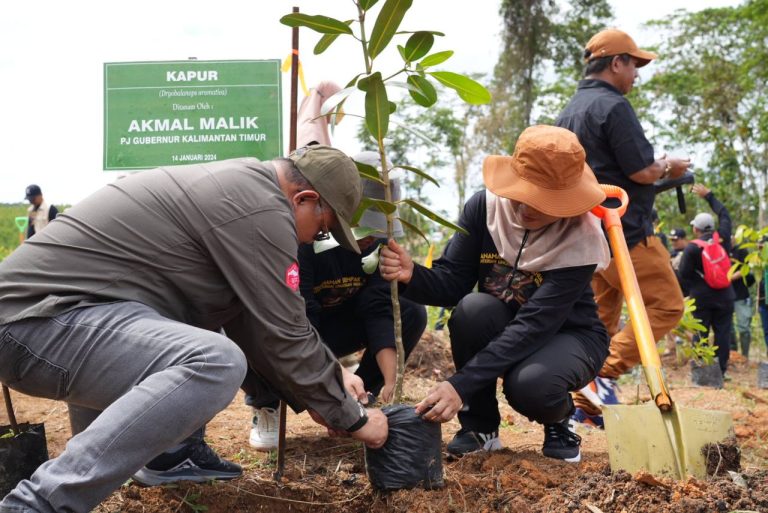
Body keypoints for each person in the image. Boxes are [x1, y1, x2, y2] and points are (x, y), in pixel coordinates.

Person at [0, 145, 388, 513]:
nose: (312, 239)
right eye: (321, 229)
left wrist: (331, 385)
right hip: (36, 322)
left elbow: (254, 325)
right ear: (304, 198)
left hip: (61, 320)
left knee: (193, 339)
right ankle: (37, 504)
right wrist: (351, 418)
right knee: (214, 361)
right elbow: (283, 330)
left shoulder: (240, 187)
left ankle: (161, 458)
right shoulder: (260, 208)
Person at [380, 125, 611, 463]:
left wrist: (459, 385)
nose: (527, 207)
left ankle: (559, 418)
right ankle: (480, 427)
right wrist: (412, 274)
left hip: (569, 335)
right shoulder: (486, 209)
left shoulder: (581, 236)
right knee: (472, 309)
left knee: (530, 385)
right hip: (508, 322)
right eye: (524, 193)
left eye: (542, 200)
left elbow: (536, 324)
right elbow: (453, 283)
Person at [247, 151, 427, 450]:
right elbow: (299, 316)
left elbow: (379, 309)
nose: (370, 239)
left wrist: (393, 381)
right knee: (252, 325)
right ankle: (267, 404)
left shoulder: (380, 247)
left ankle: (361, 396)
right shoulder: (305, 239)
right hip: (297, 329)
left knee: (410, 311)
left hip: (337, 329)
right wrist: (328, 389)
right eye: (364, 229)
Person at [555, 28, 688, 426]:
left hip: (589, 237)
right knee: (667, 305)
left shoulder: (570, 111)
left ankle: (584, 403)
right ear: (616, 63)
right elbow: (642, 171)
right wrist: (670, 166)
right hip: (626, 235)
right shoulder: (614, 107)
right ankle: (602, 374)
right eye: (634, 64)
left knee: (600, 322)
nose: (636, 74)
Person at [679, 184, 735, 376]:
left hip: (701, 296)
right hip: (726, 295)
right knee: (723, 333)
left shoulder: (692, 248)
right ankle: (721, 371)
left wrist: (687, 293)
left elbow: (684, 274)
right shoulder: (724, 238)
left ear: (696, 229)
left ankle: (701, 371)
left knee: (700, 333)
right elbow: (725, 214)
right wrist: (709, 195)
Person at [730, 237, 755, 358]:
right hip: (725, 296)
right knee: (728, 328)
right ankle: (733, 353)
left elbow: (745, 269)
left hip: (741, 294)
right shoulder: (720, 251)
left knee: (744, 328)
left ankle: (745, 356)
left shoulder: (741, 251)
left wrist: (728, 278)